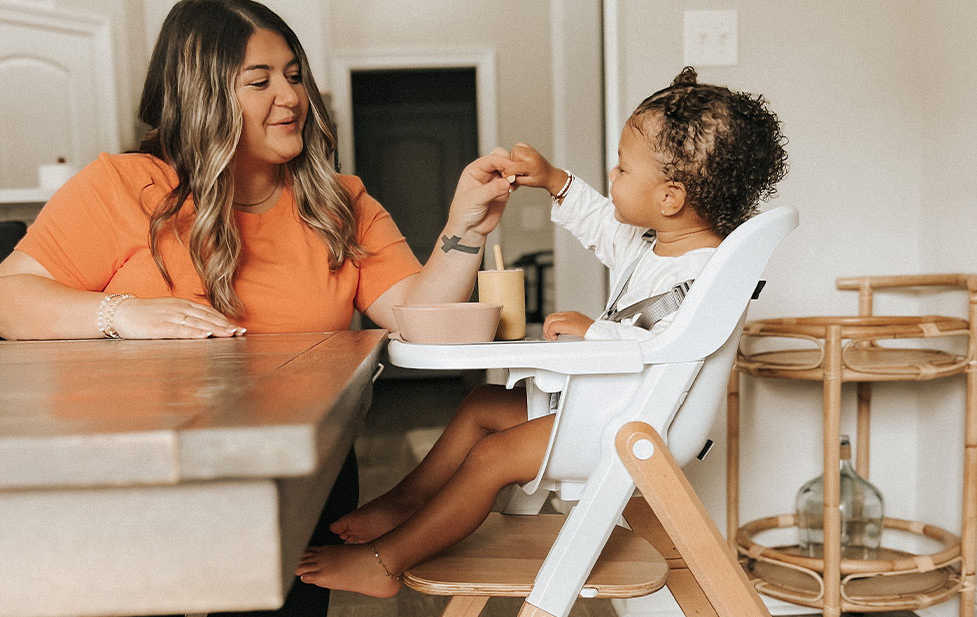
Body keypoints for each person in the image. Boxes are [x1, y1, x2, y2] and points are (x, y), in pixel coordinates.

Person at [0, 0, 513, 614]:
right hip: (141, 477)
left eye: (293, 75)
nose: (289, 97)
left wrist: (463, 232)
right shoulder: (122, 187)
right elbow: (7, 299)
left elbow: (417, 319)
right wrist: (121, 313)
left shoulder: (341, 204)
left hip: (297, 476)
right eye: (259, 82)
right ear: (200, 96)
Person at [294, 66, 789, 598]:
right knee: (482, 405)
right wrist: (554, 180)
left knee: (493, 457)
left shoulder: (703, 273)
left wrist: (591, 334)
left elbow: (666, 346)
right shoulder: (654, 244)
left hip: (631, 422)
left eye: (622, 169)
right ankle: (407, 502)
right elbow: (603, 222)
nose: (613, 174)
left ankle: (385, 561)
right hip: (603, 409)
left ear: (670, 196)